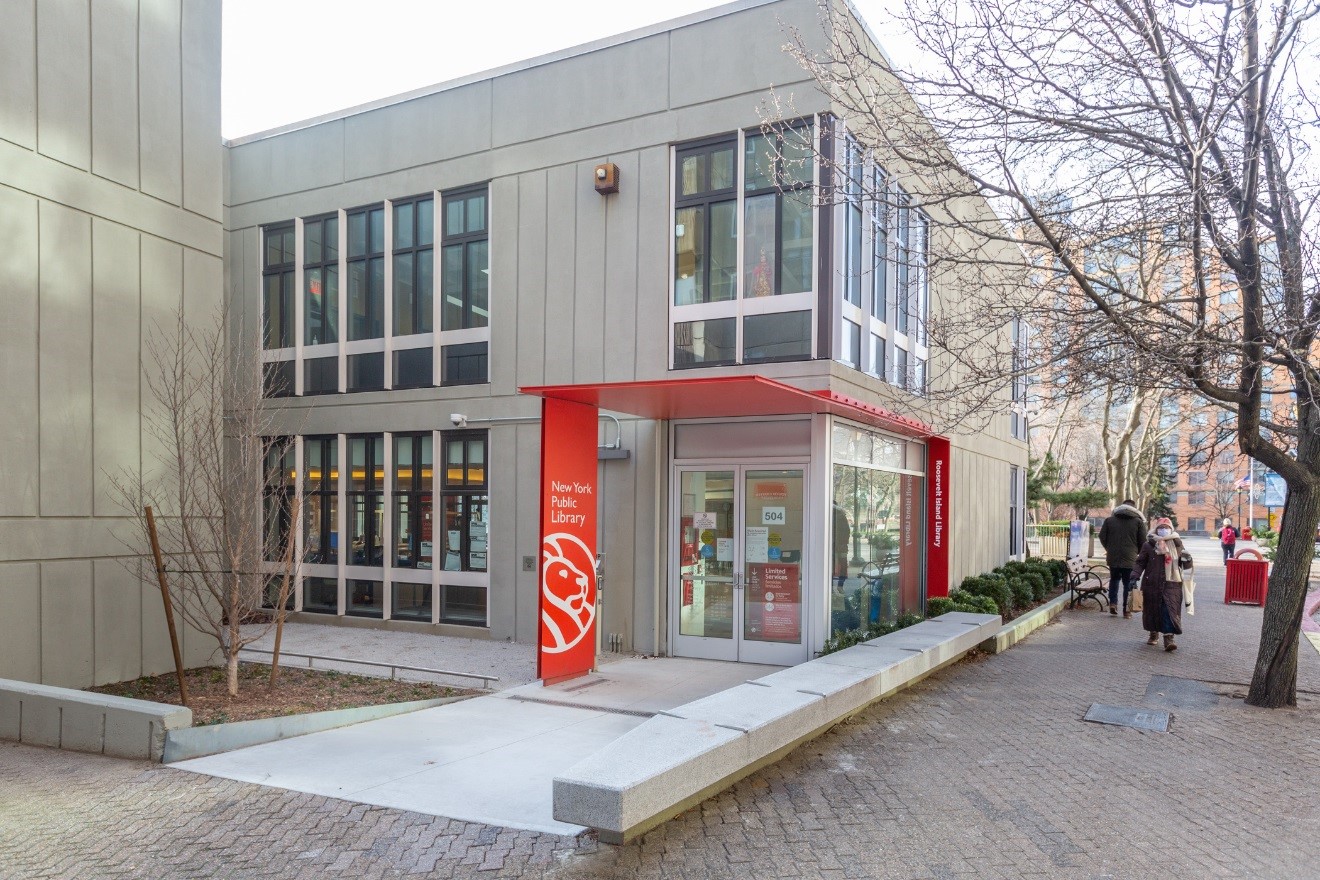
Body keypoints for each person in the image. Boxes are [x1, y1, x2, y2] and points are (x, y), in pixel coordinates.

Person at [1134, 516, 1185, 651]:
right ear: (1156, 529)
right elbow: (1140, 563)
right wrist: (1134, 576)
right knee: (1152, 609)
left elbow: (1183, 563)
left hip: (1172, 583)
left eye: (1166, 527)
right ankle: (1153, 633)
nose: (1163, 530)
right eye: (1161, 527)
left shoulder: (1177, 544)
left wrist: (1188, 560)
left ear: (1171, 529)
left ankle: (1169, 639)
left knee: (1169, 610)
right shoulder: (1148, 545)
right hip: (1152, 583)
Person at [1098, 499, 1145, 619]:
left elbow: (1102, 536)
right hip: (1130, 558)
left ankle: (1113, 603)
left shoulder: (1109, 520)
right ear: (1134, 509)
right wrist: (1137, 553)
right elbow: (1143, 541)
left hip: (1113, 557)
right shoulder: (1138, 522)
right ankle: (1126, 610)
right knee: (1128, 583)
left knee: (1114, 580)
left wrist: (1109, 548)